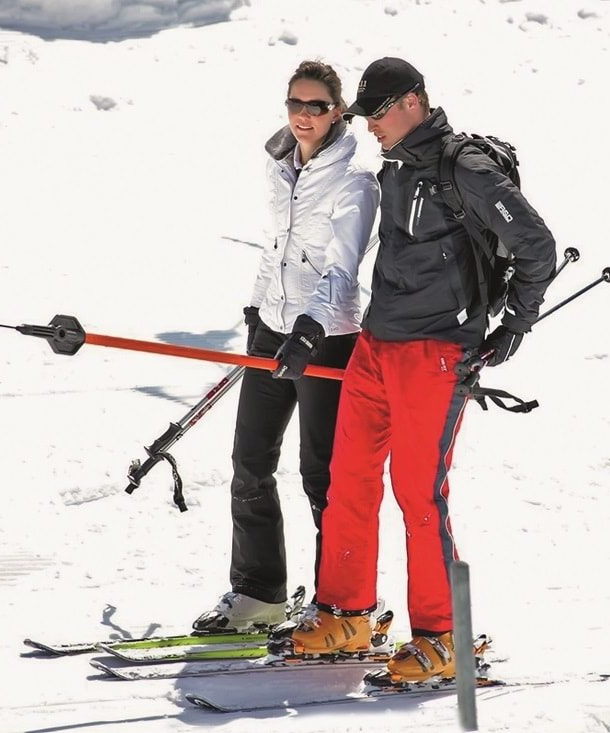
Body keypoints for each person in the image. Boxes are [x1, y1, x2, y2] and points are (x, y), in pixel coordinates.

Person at [281, 57, 558, 682]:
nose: (370, 125)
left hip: (436, 353)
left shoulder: (466, 168)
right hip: (376, 345)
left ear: (414, 102)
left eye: (379, 112)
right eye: (365, 115)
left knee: (418, 494)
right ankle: (347, 613)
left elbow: (537, 245)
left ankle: (444, 636)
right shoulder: (396, 165)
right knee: (348, 479)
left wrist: (515, 323)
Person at [192, 61, 380, 633]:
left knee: (323, 476)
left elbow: (341, 270)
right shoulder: (280, 165)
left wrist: (309, 329)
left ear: (338, 111)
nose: (303, 115)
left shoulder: (355, 181)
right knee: (250, 462)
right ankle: (259, 594)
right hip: (273, 330)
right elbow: (276, 248)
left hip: (327, 339)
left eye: (316, 106)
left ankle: (338, 602)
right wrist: (258, 307)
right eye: (295, 103)